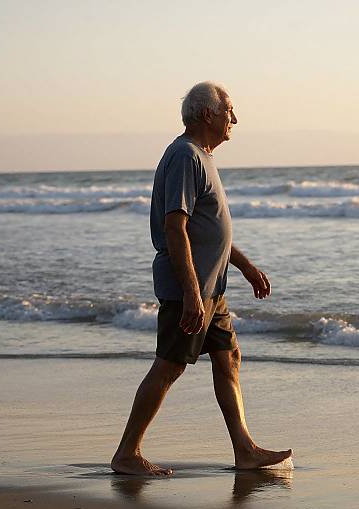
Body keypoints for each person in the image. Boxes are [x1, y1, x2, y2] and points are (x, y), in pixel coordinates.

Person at [111, 81, 292, 476]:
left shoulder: (203, 156)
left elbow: (210, 228)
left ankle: (244, 449)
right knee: (170, 365)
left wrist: (243, 266)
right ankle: (127, 453)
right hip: (189, 287)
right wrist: (192, 295)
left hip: (213, 288)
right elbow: (175, 228)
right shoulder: (184, 156)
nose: (235, 119)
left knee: (229, 359)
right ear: (208, 114)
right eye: (230, 111)